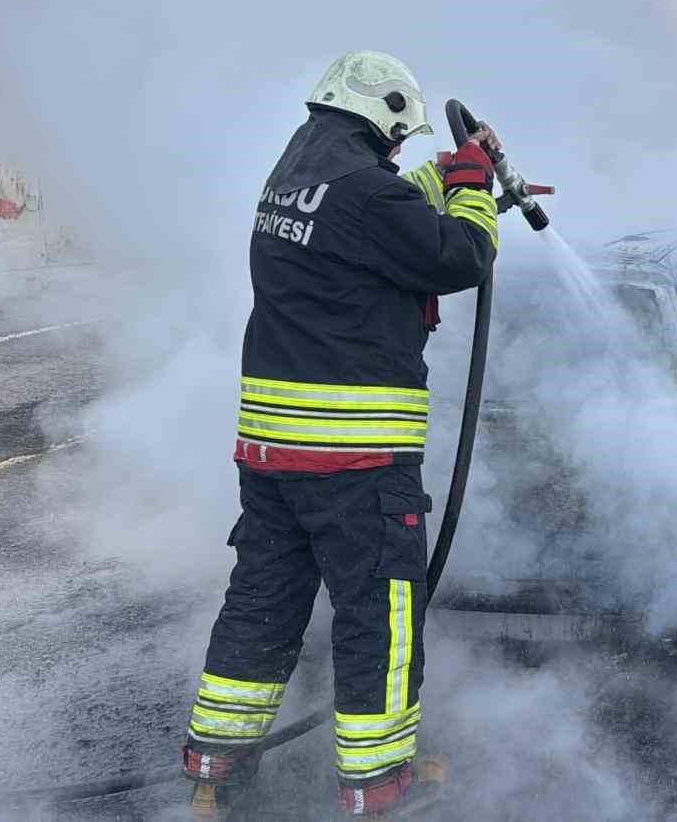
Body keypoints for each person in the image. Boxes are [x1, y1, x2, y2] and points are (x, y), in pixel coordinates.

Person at [178, 50, 500, 819]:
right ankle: (378, 784)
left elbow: (381, 217)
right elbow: (461, 256)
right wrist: (476, 192)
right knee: (380, 617)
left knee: (263, 599)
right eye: (399, 139)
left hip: (271, 457)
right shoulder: (365, 192)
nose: (398, 151)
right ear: (385, 116)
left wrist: (446, 177)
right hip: (354, 459)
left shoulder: (297, 176)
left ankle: (215, 769)